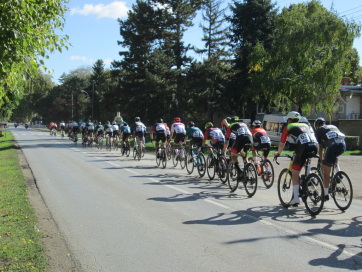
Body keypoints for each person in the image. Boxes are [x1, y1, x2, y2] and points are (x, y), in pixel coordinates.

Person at [274, 111, 318, 206]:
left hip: (303, 147)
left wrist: (278, 153)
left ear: (289, 120)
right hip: (314, 146)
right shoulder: (306, 125)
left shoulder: (288, 127)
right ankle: (309, 178)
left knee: (295, 172)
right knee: (306, 160)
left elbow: (282, 143)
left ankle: (296, 199)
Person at [314, 117, 346, 200]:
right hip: (343, 145)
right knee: (333, 157)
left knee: (326, 171)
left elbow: (320, 148)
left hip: (332, 146)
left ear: (316, 126)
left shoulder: (318, 130)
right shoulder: (332, 126)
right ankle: (338, 173)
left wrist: (321, 160)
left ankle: (325, 194)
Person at [222, 116, 252, 181]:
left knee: (233, 155)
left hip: (241, 138)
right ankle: (247, 169)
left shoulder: (231, 126)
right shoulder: (243, 124)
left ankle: (239, 171)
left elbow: (226, 141)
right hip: (250, 138)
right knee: (243, 154)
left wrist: (224, 149)